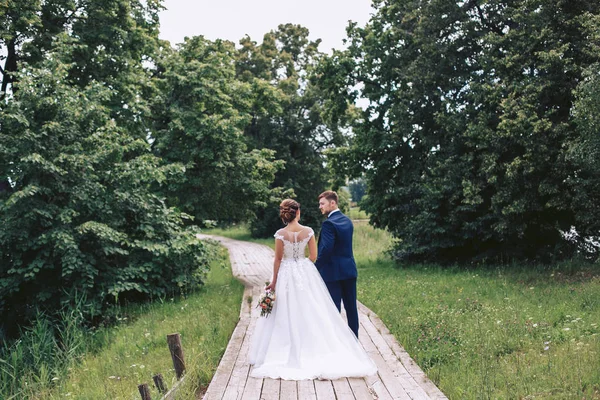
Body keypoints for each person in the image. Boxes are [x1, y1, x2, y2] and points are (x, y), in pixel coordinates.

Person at [248, 199, 376, 380]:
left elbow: (277, 259)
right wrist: (302, 267)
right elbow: (314, 256)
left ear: (285, 214)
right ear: (298, 212)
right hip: (304, 271)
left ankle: (279, 352)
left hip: (285, 273)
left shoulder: (280, 234)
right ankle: (317, 347)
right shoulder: (308, 232)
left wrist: (274, 281)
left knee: (284, 311)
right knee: (310, 308)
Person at [315, 191, 360, 337]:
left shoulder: (329, 223)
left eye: (322, 203)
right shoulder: (347, 221)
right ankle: (355, 342)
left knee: (334, 310)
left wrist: (315, 267)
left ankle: (337, 345)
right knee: (351, 308)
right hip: (349, 271)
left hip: (332, 274)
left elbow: (326, 249)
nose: (320, 207)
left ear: (332, 203)